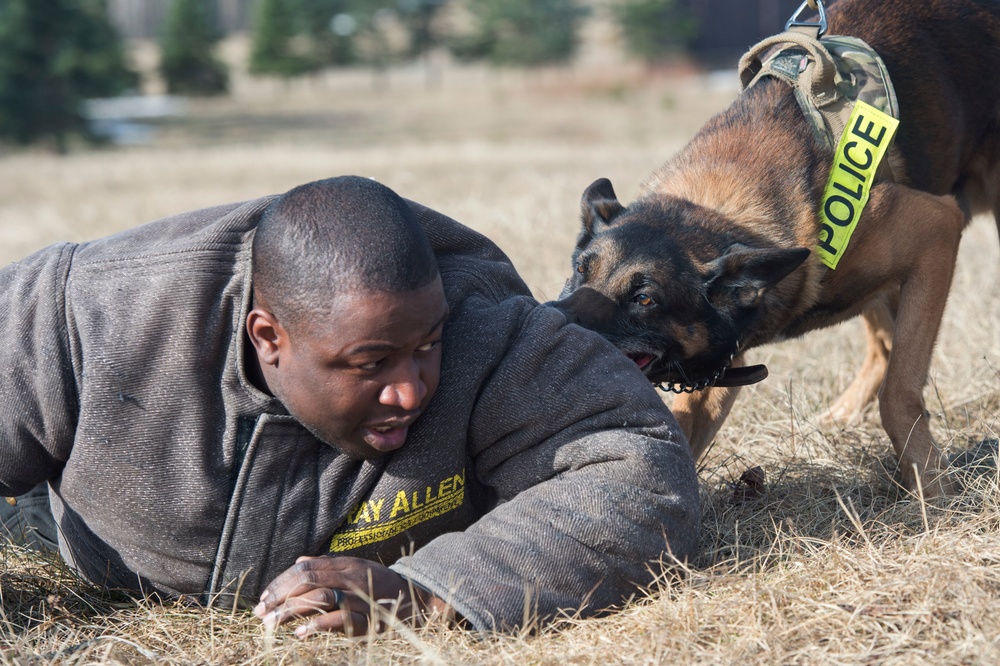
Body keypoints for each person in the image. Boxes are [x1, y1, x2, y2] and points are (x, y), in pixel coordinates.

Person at [0, 176, 699, 635]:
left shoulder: (485, 327)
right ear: (269, 337)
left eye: (426, 347)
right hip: (67, 535)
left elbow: (639, 465)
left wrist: (426, 593)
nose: (410, 390)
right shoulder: (83, 314)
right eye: (370, 364)